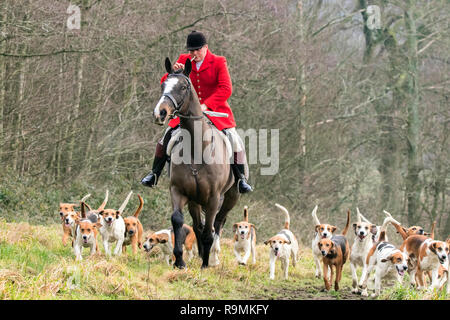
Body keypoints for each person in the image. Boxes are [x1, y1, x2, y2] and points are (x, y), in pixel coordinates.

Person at [141, 31, 253, 193]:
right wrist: (172, 71)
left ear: (206, 47)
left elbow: (226, 89)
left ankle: (241, 179)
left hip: (215, 113)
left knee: (234, 139)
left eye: (197, 50)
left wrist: (206, 106)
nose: (194, 54)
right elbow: (167, 83)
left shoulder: (219, 62)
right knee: (166, 138)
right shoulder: (183, 60)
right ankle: (154, 174)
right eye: (191, 51)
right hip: (187, 114)